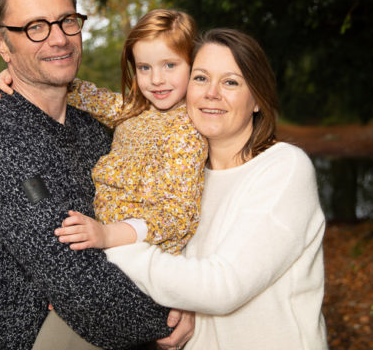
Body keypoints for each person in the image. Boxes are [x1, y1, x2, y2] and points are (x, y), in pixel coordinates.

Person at [0, 0, 190, 350]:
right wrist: (171, 316)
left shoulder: (95, 126)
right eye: (35, 27)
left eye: (67, 20)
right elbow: (78, 283)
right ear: (2, 42)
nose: (59, 39)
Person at [105, 28, 329, 349]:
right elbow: (174, 273)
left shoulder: (283, 169)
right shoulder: (182, 178)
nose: (212, 93)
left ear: (256, 100)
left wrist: (109, 242)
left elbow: (221, 288)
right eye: (200, 78)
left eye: (231, 82)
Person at [0, 9, 208, 256]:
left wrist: (107, 235)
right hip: (105, 238)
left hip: (143, 250)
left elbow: (176, 216)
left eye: (170, 65)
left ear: (194, 65)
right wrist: (18, 75)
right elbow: (86, 95)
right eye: (145, 67)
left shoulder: (187, 132)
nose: (156, 79)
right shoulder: (132, 109)